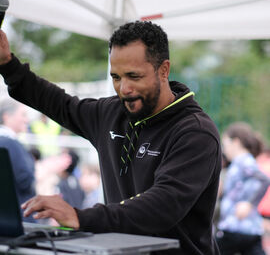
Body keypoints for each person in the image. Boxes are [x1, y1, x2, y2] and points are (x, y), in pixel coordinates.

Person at [0, 21, 221, 254]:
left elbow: (162, 206)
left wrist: (79, 216)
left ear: (164, 70)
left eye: (134, 76)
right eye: (116, 77)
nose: (124, 88)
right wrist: (7, 65)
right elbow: (59, 104)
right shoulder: (111, 112)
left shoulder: (195, 133)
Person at [216, 122, 270, 255]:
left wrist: (249, 203)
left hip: (235, 226)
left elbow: (263, 179)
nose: (224, 149)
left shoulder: (243, 161)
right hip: (246, 228)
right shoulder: (238, 163)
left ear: (236, 142)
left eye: (226, 144)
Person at [0, 98, 36, 222]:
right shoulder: (10, 143)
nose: (26, 120)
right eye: (23, 115)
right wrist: (43, 169)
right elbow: (25, 181)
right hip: (20, 216)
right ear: (7, 116)